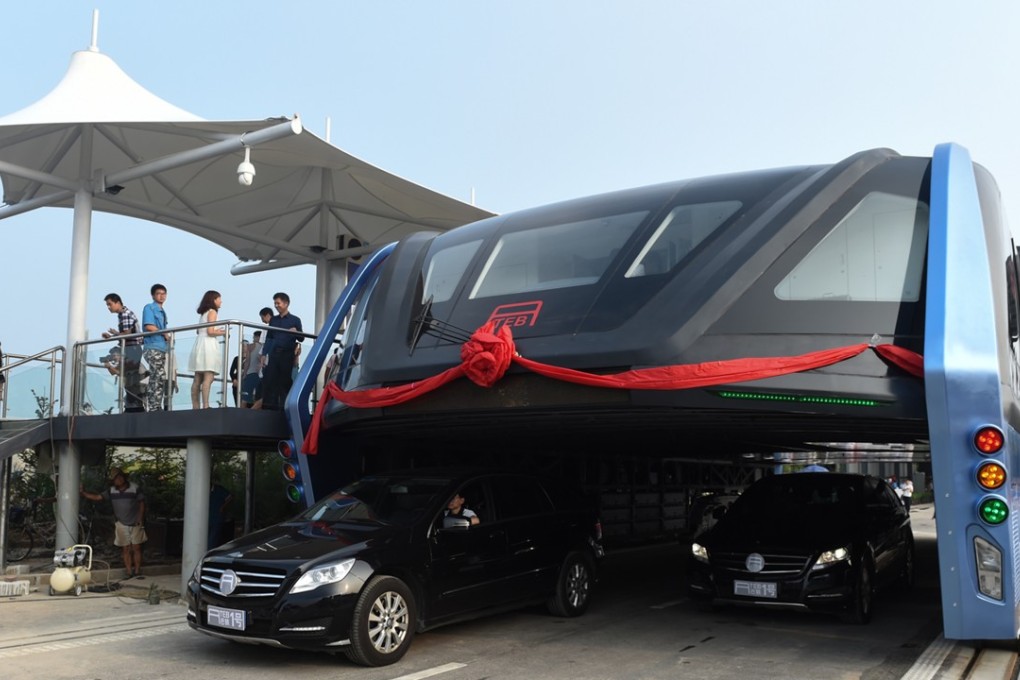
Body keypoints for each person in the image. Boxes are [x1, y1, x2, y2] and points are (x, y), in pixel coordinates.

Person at [81, 470, 147, 578]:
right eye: (116, 478)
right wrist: (83, 493)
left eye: (120, 477)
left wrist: (140, 517)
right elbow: (98, 497)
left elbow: (142, 503)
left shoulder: (134, 487)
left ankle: (137, 571)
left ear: (124, 477)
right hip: (120, 522)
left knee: (136, 547)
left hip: (136, 522)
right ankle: (129, 572)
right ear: (113, 481)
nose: (119, 479)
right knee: (125, 548)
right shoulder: (111, 491)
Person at [260, 293, 303, 410]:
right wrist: (264, 354)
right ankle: (269, 409)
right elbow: (269, 338)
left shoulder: (295, 320)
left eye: (278, 303)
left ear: (286, 303)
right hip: (274, 354)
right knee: (270, 380)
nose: (276, 305)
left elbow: (301, 338)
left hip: (287, 354)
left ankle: (284, 408)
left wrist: (296, 332)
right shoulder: (273, 320)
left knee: (284, 381)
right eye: (275, 303)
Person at [102, 293, 144, 412]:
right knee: (129, 378)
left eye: (110, 304)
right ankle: (133, 406)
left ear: (117, 302)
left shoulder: (124, 314)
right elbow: (128, 332)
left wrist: (114, 335)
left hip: (132, 348)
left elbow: (127, 333)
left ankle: (135, 407)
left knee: (130, 379)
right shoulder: (124, 314)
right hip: (132, 348)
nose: (109, 307)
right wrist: (113, 335)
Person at [187, 290, 225, 409]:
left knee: (197, 378)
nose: (221, 301)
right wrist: (223, 332)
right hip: (208, 345)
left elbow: (199, 331)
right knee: (208, 376)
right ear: (214, 300)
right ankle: (206, 405)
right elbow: (210, 331)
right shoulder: (212, 312)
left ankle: (195, 405)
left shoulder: (203, 313)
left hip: (199, 344)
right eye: (219, 298)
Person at [142, 284, 170, 412]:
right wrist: (164, 333)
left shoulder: (162, 311)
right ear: (153, 295)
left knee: (159, 376)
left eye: (164, 293)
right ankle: (153, 406)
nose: (162, 296)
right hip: (152, 346)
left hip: (161, 347)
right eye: (159, 293)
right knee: (157, 375)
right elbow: (148, 326)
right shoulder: (150, 308)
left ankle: (156, 404)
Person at [208, 478, 234, 549]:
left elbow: (230, 497)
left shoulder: (219, 489)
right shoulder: (203, 490)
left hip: (216, 519)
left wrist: (222, 507)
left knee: (212, 541)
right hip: (207, 519)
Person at [240, 330, 263, 407]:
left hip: (251, 373)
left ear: (257, 337)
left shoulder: (250, 346)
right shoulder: (264, 347)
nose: (253, 339)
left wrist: (244, 374)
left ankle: (240, 415)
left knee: (245, 397)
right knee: (257, 397)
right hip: (260, 375)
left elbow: (247, 362)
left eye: (254, 337)